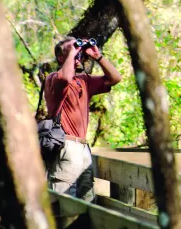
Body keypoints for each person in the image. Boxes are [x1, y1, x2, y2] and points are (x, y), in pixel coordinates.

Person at [44, 36, 122, 201]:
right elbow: (65, 78)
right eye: (71, 51)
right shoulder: (53, 79)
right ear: (60, 57)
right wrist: (73, 51)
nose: (78, 54)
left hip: (83, 148)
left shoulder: (84, 81)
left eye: (78, 51)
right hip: (65, 145)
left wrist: (97, 56)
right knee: (64, 202)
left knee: (87, 200)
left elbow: (115, 78)